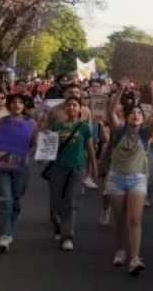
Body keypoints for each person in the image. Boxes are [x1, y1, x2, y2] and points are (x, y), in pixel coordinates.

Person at [105, 81, 153, 276]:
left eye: (139, 113)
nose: (135, 115)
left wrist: (152, 92)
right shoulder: (119, 131)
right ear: (126, 118)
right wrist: (120, 90)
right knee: (119, 220)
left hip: (137, 179)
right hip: (116, 179)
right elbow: (111, 112)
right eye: (132, 113)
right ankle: (120, 250)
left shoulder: (145, 134)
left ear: (142, 118)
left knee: (135, 219)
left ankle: (135, 258)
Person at [45, 96, 97, 252]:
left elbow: (90, 149)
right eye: (69, 105)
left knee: (71, 202)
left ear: (80, 109)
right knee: (55, 204)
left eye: (75, 105)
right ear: (64, 108)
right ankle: (58, 226)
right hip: (57, 168)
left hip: (77, 168)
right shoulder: (57, 126)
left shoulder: (83, 128)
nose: (72, 108)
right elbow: (46, 147)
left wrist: (94, 167)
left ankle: (68, 236)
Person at [0, 94, 38, 254]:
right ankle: (5, 235)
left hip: (21, 168)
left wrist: (27, 157)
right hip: (0, 167)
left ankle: (8, 228)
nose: (16, 105)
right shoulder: (0, 123)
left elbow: (34, 144)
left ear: (24, 105)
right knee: (5, 200)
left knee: (15, 200)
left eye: (20, 102)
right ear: (8, 106)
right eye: (13, 102)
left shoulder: (31, 124)